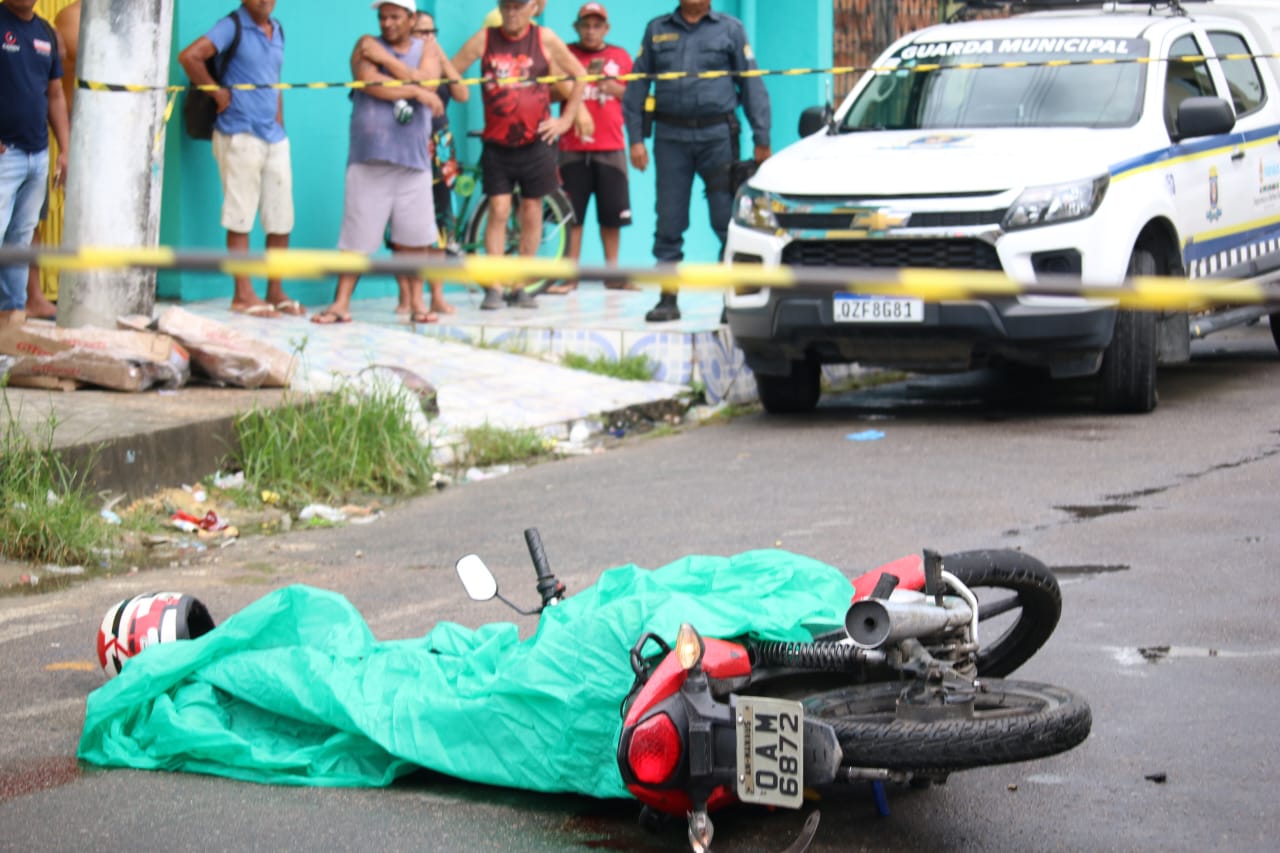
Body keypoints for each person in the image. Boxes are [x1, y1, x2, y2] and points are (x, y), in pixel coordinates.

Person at [622, 0, 771, 322]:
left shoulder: (730, 29)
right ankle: (667, 298)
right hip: (670, 138)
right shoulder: (657, 29)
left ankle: (732, 301)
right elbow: (636, 87)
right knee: (669, 221)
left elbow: (751, 84)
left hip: (717, 138)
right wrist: (635, 139)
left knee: (725, 221)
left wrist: (762, 137)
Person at [312, 0, 445, 325]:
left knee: (415, 239)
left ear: (412, 19)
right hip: (369, 157)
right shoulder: (365, 44)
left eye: (395, 16)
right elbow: (371, 83)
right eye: (382, 16)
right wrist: (418, 90)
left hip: (413, 160)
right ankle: (341, 303)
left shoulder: (428, 47)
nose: (387, 23)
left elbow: (431, 81)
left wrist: (390, 64)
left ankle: (417, 304)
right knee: (356, 239)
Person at [452, 0, 587, 310]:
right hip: (497, 144)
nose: (511, 12)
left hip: (535, 143)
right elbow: (453, 69)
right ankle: (495, 287)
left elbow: (580, 76)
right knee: (498, 210)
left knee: (531, 211)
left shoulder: (545, 38)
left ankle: (520, 285)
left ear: (533, 8)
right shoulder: (485, 38)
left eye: (518, 6)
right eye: (506, 6)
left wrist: (565, 121)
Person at [178, 0, 303, 318]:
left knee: (281, 217)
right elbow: (190, 57)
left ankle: (275, 291)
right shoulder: (231, 25)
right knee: (240, 215)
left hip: (273, 136)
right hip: (238, 133)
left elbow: (275, 83)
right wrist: (217, 93)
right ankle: (243, 294)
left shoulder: (280, 30)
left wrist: (281, 124)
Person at [545, 2, 632, 295]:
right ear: (577, 27)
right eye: (586, 25)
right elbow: (549, 91)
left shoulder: (620, 57)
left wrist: (615, 89)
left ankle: (613, 275)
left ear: (606, 29)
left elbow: (636, 97)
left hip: (611, 146)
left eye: (597, 25)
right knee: (573, 216)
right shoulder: (565, 55)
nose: (591, 30)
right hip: (572, 146)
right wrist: (575, 86)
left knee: (612, 216)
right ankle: (570, 278)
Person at [393, 9, 468, 319]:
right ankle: (408, 297)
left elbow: (462, 93)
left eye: (431, 32)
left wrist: (442, 58)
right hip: (409, 149)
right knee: (404, 227)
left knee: (439, 224)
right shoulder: (404, 63)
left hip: (440, 149)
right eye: (420, 33)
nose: (427, 38)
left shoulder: (438, 62)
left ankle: (436, 295)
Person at [0, 0, 70, 326]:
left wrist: (65, 151)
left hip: (37, 155)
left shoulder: (45, 33)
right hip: (6, 155)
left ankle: (12, 318)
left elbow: (55, 94)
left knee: (21, 241)